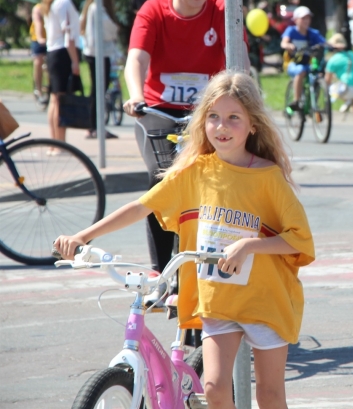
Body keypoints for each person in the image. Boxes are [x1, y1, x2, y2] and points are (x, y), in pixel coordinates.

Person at [54, 71, 314, 409]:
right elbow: (141, 206)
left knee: (269, 394)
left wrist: (250, 245)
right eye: (214, 117)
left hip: (265, 300)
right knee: (214, 387)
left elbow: (299, 239)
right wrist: (83, 235)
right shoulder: (195, 171)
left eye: (234, 118)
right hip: (217, 297)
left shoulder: (268, 176)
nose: (222, 127)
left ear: (253, 125)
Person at [125, 0, 248, 282]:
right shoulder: (154, 11)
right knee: (162, 180)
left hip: (208, 111)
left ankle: (219, 260)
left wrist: (245, 96)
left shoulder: (221, 10)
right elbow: (136, 58)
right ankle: (160, 271)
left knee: (222, 180)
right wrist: (136, 96)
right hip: (158, 110)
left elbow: (239, 60)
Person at [41, 0, 81, 144]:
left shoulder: (51, 1)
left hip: (52, 52)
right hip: (62, 53)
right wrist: (74, 61)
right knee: (61, 100)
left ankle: (54, 140)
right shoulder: (64, 2)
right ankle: (60, 142)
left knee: (54, 98)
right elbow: (68, 35)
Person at [80, 0, 121, 139]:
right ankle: (95, 126)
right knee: (99, 90)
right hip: (99, 53)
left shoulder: (91, 6)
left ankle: (94, 126)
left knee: (97, 90)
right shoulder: (98, 8)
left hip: (93, 52)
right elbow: (110, 30)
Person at [280, 5, 327, 110]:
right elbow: (284, 43)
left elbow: (324, 43)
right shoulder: (291, 31)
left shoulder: (313, 33)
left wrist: (336, 45)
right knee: (300, 70)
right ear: (296, 20)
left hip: (307, 64)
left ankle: (313, 104)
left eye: (308, 18)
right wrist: (288, 45)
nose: (306, 21)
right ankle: (296, 101)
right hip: (292, 64)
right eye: (303, 18)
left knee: (317, 75)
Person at [324, 33, 353, 112]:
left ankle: (347, 102)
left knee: (332, 87)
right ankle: (352, 108)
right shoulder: (352, 54)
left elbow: (327, 80)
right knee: (345, 84)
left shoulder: (333, 60)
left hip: (348, 88)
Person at [30, 2, 48, 105]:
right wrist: (41, 38)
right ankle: (39, 89)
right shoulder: (38, 8)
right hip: (38, 39)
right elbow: (38, 24)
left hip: (50, 40)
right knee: (38, 61)